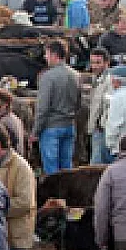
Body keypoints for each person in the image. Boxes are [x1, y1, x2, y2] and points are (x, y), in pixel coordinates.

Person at [33, 40, 81, 175]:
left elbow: (42, 108)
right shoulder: (76, 75)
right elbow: (79, 103)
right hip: (70, 126)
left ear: (54, 55)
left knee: (52, 171)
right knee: (67, 168)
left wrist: (35, 132)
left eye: (46, 54)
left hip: (51, 128)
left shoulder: (47, 77)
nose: (45, 57)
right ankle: (69, 195)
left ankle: (54, 195)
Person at [87, 48, 112, 165]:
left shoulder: (109, 81)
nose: (94, 66)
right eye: (92, 62)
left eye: (98, 62)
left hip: (103, 130)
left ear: (107, 63)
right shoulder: (96, 79)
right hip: (97, 129)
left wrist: (101, 124)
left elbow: (110, 104)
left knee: (96, 165)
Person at [0, 88, 25, 158]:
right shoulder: (13, 117)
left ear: (5, 105)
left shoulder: (3, 123)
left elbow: (2, 150)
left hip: (9, 164)